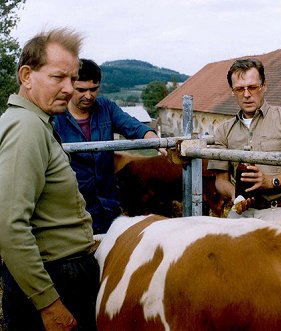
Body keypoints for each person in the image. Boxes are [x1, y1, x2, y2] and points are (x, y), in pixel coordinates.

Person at [0, 28, 99, 330]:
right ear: (26, 76)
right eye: (58, 78)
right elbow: (9, 224)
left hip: (59, 273)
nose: (69, 89)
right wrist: (49, 303)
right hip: (54, 281)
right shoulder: (26, 128)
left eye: (72, 78)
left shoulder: (37, 123)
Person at [53, 59, 164, 234]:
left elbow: (132, 125)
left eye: (93, 89)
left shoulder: (106, 108)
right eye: (81, 90)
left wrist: (157, 142)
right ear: (69, 86)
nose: (88, 96)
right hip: (70, 209)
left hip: (108, 203)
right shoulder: (55, 117)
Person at [208, 58, 281, 231]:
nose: (246, 94)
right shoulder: (223, 130)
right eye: (239, 89)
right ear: (232, 92)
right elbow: (220, 181)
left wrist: (271, 181)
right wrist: (235, 196)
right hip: (241, 212)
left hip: (280, 209)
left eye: (252, 87)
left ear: (264, 86)